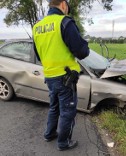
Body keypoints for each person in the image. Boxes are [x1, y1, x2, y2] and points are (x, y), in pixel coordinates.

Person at [32, 0, 89, 151]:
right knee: (68, 112)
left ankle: (49, 134)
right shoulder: (64, 22)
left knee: (54, 107)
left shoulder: (37, 27)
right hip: (66, 77)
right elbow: (82, 52)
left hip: (49, 76)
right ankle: (63, 143)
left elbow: (38, 55)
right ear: (63, 4)